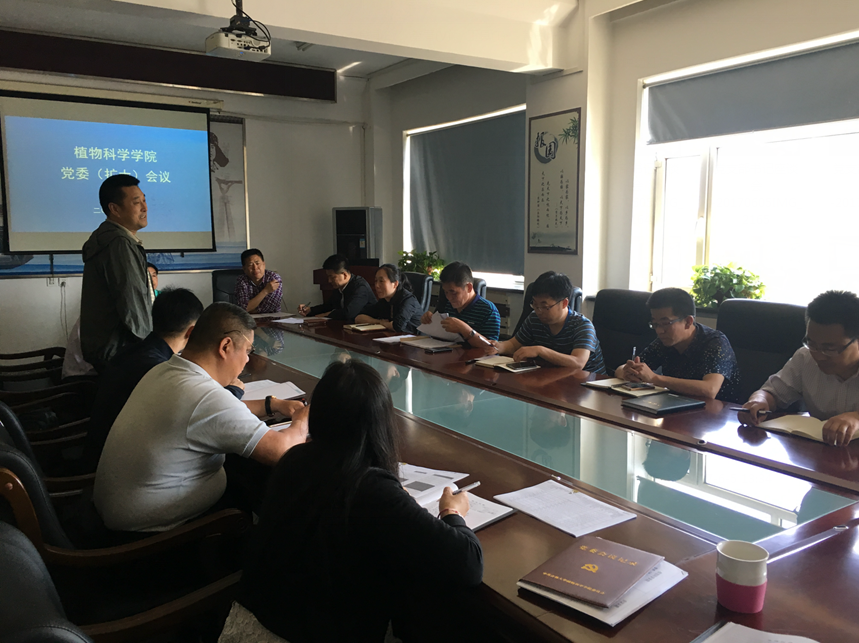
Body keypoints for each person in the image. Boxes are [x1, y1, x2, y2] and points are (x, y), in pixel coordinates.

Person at [231, 359, 483, 643]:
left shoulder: (295, 459)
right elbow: (468, 564)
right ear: (381, 422)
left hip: (247, 624)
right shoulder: (371, 489)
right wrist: (451, 511)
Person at [93, 302, 308, 533]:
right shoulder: (205, 397)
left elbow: (215, 413)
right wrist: (303, 417)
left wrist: (272, 404)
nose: (247, 360)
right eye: (247, 351)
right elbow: (283, 451)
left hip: (116, 509)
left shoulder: (165, 370)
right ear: (225, 346)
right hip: (150, 536)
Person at [80, 288, 247, 472]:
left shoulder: (133, 351)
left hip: (100, 451)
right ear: (192, 331)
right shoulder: (160, 369)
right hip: (116, 467)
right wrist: (233, 391)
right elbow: (199, 411)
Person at [739, 290, 859, 446]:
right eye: (812, 344)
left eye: (829, 348)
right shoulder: (805, 357)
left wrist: (856, 418)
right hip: (820, 452)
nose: (819, 356)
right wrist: (759, 401)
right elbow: (772, 392)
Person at [80, 174, 154, 372]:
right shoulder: (119, 243)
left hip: (112, 351)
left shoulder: (110, 238)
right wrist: (151, 350)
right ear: (114, 209)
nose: (145, 208)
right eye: (136, 202)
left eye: (144, 200)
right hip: (122, 353)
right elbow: (132, 303)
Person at [617, 287, 740, 401]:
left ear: (688, 322)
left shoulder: (715, 342)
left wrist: (655, 378)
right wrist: (629, 372)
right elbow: (621, 369)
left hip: (718, 412)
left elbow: (710, 389)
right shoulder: (664, 341)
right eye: (655, 324)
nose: (659, 330)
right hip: (676, 404)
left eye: (666, 323)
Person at [493, 271, 605, 373]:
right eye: (535, 305)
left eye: (545, 306)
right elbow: (513, 344)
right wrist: (497, 346)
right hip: (553, 377)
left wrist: (540, 350)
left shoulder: (583, 326)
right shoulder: (534, 319)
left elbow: (578, 363)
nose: (539, 311)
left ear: (564, 303)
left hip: (587, 383)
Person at [419, 261, 501, 345]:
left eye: (453, 292)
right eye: (446, 292)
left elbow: (492, 347)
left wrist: (464, 329)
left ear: (469, 287)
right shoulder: (447, 305)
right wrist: (430, 320)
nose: (449, 297)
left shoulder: (489, 310)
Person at [298, 254, 375, 322]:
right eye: (328, 277)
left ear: (344, 275)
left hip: (367, 329)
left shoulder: (360, 287)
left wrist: (326, 315)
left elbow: (349, 313)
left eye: (332, 277)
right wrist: (310, 310)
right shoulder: (339, 287)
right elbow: (329, 306)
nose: (329, 281)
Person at [354, 264, 423, 333]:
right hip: (394, 337)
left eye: (381, 281)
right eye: (376, 281)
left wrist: (383, 323)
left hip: (417, 338)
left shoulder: (408, 300)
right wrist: (378, 322)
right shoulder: (384, 301)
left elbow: (397, 326)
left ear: (395, 284)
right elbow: (358, 318)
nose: (377, 285)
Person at [235, 248, 282, 314]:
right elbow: (243, 308)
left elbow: (270, 307)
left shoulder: (274, 278)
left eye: (257, 263)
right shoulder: (241, 280)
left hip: (273, 318)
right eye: (250, 265)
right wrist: (265, 291)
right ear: (244, 269)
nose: (255, 268)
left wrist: (250, 308)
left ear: (264, 264)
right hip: (248, 318)